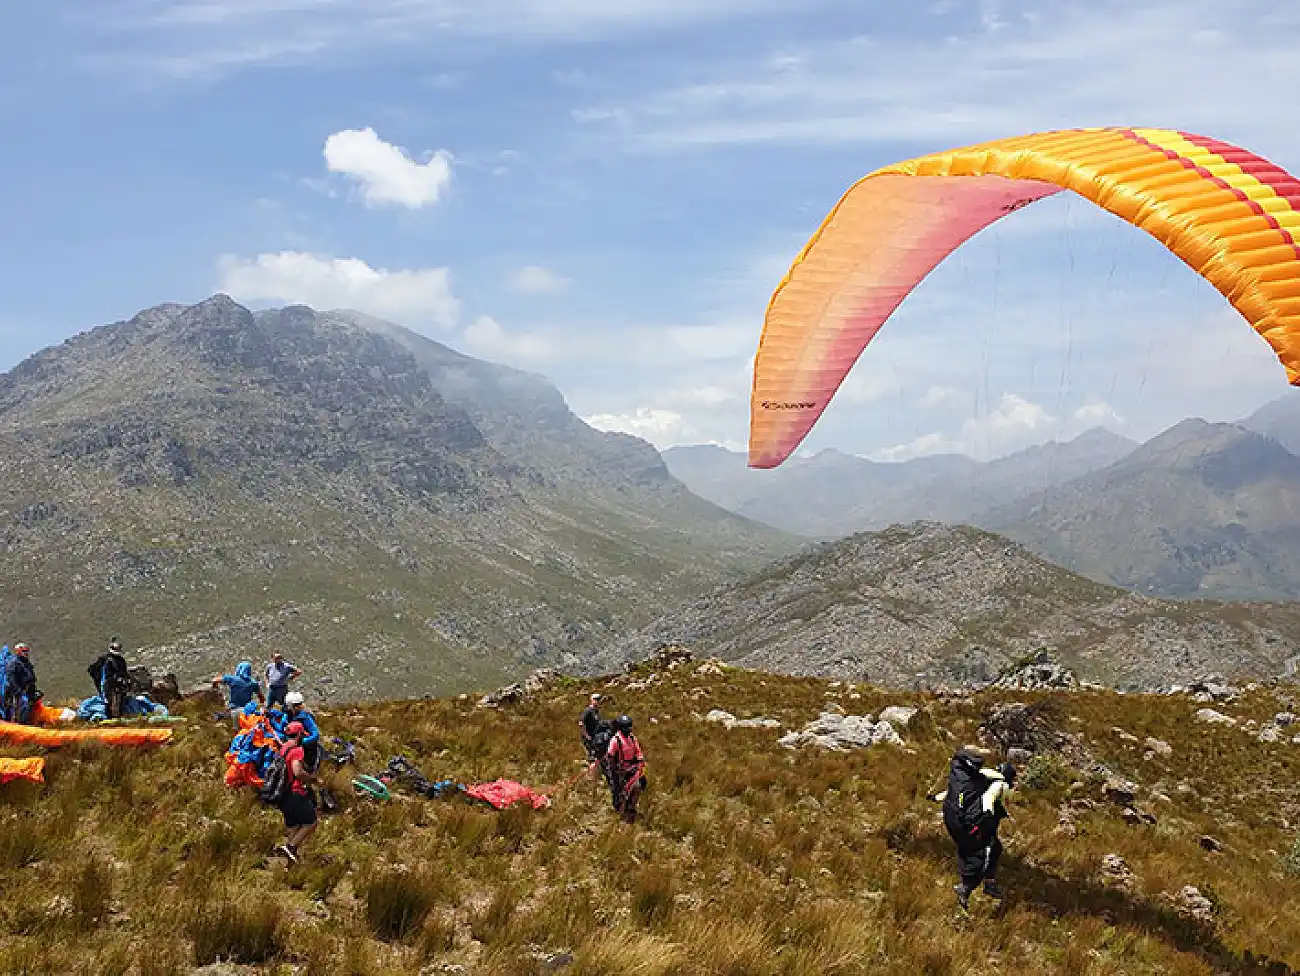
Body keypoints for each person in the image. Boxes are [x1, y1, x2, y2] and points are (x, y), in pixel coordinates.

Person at [929, 749, 1017, 910]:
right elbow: (990, 797)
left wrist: (935, 798)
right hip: (976, 822)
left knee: (994, 848)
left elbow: (952, 793)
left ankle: (988, 883)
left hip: (956, 819)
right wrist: (986, 814)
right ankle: (966, 889)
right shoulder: (1000, 784)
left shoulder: (978, 777)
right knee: (981, 854)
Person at [273, 721, 317, 864]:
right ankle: (290, 847)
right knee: (311, 822)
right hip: (295, 791)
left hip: (282, 793)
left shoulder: (283, 748)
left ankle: (289, 860)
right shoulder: (297, 750)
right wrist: (311, 778)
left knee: (293, 825)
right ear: (299, 735)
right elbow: (297, 771)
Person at [605, 714, 646, 824]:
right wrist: (615, 771)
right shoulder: (615, 740)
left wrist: (640, 760)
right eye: (627, 727)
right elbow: (610, 757)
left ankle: (631, 807)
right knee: (619, 792)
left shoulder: (632, 738)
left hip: (632, 769)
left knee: (638, 786)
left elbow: (638, 751)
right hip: (619, 771)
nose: (629, 729)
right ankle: (620, 813)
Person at [88, 639, 132, 719]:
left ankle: (116, 717)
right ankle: (112, 717)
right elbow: (105, 675)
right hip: (109, 686)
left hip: (116, 685)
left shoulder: (119, 660)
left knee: (117, 702)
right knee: (112, 702)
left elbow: (124, 673)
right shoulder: (107, 660)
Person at [211, 661, 265, 725]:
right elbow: (261, 698)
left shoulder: (232, 679)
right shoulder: (253, 683)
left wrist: (215, 688)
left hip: (232, 710)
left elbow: (214, 680)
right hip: (246, 711)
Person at [283, 691, 321, 773]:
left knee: (309, 766)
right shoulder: (286, 716)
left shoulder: (305, 717)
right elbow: (282, 728)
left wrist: (303, 741)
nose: (299, 706)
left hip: (306, 747)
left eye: (299, 704)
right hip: (292, 744)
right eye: (296, 705)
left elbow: (315, 733)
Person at [3, 643, 38, 724]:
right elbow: (10, 678)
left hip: (28, 690)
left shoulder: (27, 663)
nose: (26, 653)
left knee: (29, 705)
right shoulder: (14, 663)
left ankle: (28, 721)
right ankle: (21, 723)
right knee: (24, 704)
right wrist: (18, 691)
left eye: (27, 651)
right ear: (18, 652)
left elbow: (31, 676)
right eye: (24, 651)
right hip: (18, 691)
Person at [579, 693, 607, 760]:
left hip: (596, 738)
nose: (599, 701)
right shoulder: (588, 711)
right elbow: (581, 724)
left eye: (599, 700)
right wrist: (587, 736)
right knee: (592, 757)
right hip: (589, 739)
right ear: (592, 700)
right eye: (597, 700)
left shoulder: (596, 711)